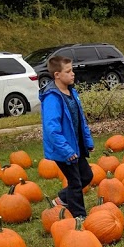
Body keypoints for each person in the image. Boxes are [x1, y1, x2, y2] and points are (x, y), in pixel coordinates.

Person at [40, 54, 94, 220]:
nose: (73, 74)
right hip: (64, 149)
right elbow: (52, 129)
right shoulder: (52, 98)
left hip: (76, 146)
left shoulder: (72, 92)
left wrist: (88, 141)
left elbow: (80, 120)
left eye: (72, 70)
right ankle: (79, 217)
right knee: (76, 183)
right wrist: (65, 150)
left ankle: (63, 197)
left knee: (87, 176)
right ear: (57, 75)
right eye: (68, 71)